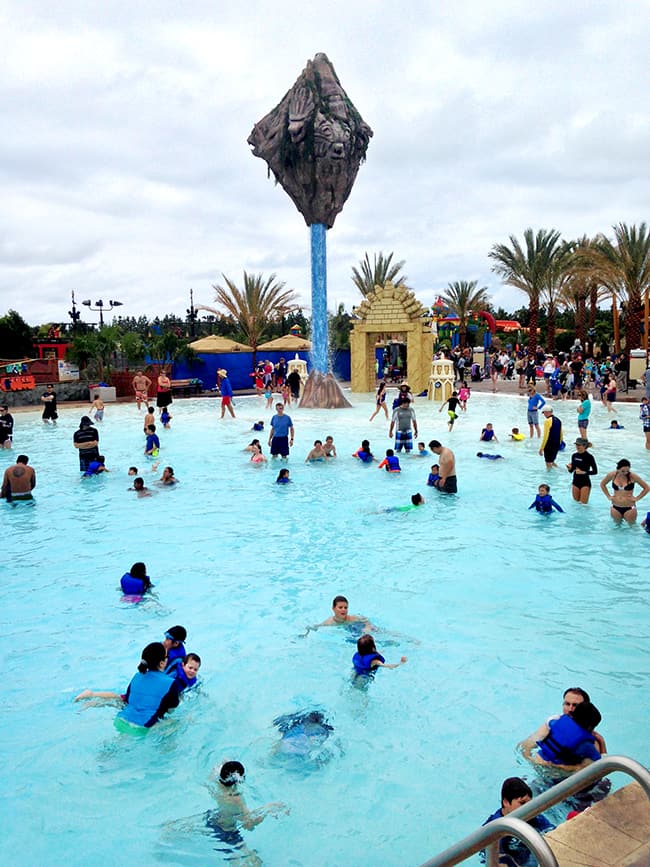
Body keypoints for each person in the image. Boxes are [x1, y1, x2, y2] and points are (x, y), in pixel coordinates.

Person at [75, 642, 180, 729]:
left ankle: (93, 699)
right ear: (162, 663)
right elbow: (170, 710)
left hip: (120, 719)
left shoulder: (137, 676)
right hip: (143, 727)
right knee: (176, 723)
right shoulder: (170, 682)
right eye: (167, 656)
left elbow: (128, 700)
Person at [203, 760, 287, 852]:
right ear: (240, 779)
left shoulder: (215, 782)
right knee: (255, 862)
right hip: (227, 832)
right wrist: (268, 808)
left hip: (211, 819)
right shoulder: (236, 799)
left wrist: (228, 764)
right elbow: (248, 825)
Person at [481, 777, 555, 867]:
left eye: (529, 803)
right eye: (522, 803)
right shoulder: (495, 827)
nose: (528, 808)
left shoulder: (532, 817)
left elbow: (551, 831)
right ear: (506, 802)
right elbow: (496, 860)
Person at [519, 686, 607, 758]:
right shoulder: (552, 723)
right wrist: (534, 762)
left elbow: (598, 770)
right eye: (567, 704)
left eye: (575, 705)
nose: (570, 709)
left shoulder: (593, 741)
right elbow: (526, 746)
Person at [534, 701, 603, 768]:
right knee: (588, 763)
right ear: (590, 727)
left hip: (538, 758)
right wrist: (601, 742)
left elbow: (550, 722)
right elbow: (600, 761)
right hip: (556, 770)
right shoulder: (586, 745)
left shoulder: (557, 723)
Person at [599, 458, 650, 524]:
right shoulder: (612, 475)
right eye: (623, 471)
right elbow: (602, 484)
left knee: (631, 528)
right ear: (618, 469)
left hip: (629, 507)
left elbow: (647, 488)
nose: (625, 473)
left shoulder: (633, 476)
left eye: (627, 471)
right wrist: (608, 496)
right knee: (616, 528)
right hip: (615, 507)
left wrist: (637, 498)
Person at [566, 438, 597, 504]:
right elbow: (572, 470)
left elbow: (595, 471)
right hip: (575, 482)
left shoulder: (589, 457)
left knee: (583, 506)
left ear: (584, 446)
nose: (577, 447)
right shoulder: (574, 455)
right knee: (576, 504)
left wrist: (583, 472)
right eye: (576, 445)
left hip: (585, 483)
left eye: (579, 445)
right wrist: (569, 469)